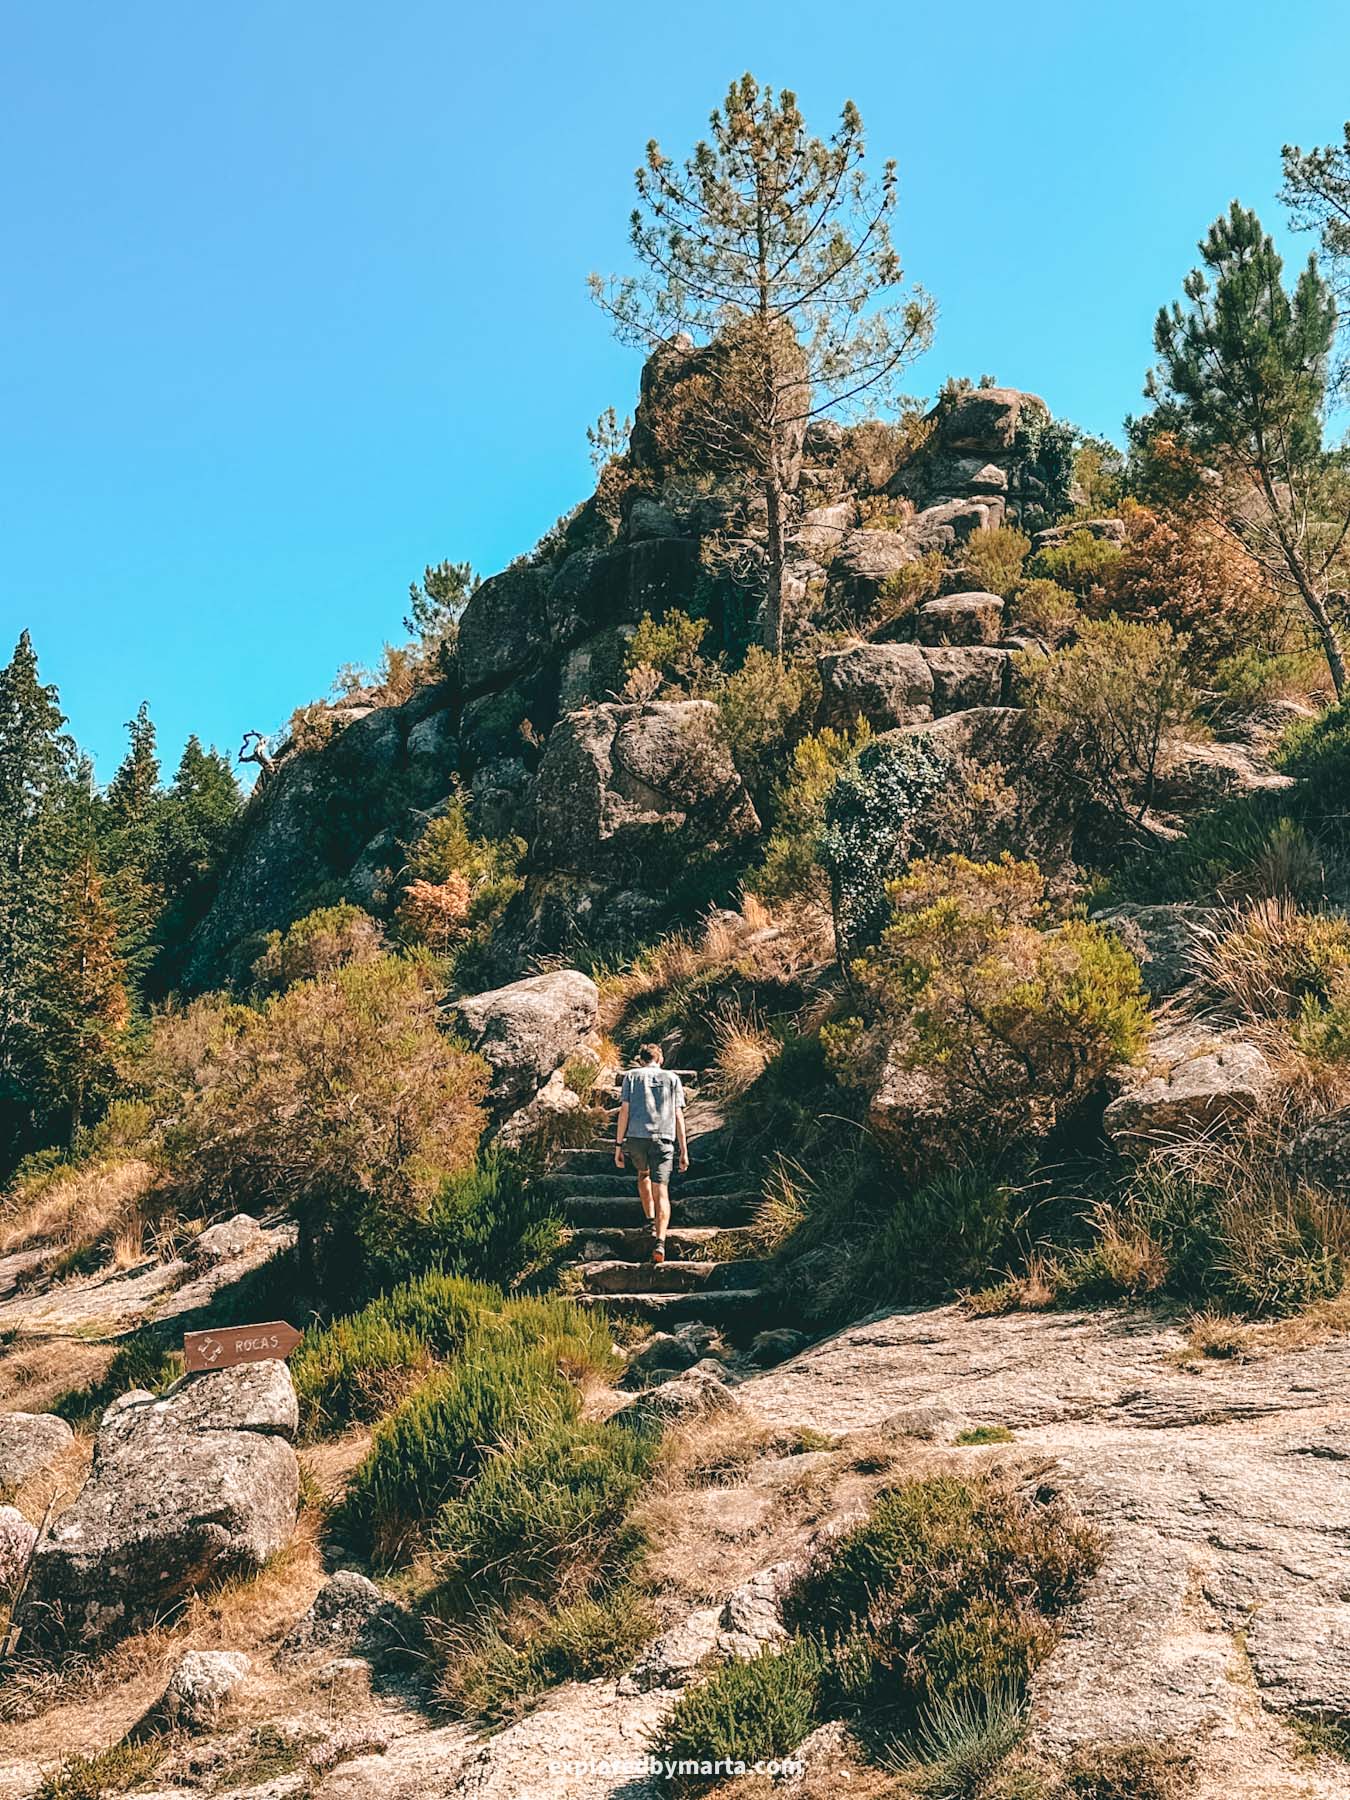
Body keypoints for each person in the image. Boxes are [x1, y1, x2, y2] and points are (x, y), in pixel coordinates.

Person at [614, 1044, 689, 1263]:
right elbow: (678, 1115)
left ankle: (649, 1219)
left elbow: (624, 1111)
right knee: (662, 1190)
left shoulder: (631, 1077)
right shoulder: (673, 1078)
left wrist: (618, 1146)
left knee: (643, 1174)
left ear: (641, 1060)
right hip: (664, 1138)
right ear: (660, 1059)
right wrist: (684, 1150)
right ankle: (660, 1240)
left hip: (637, 1138)